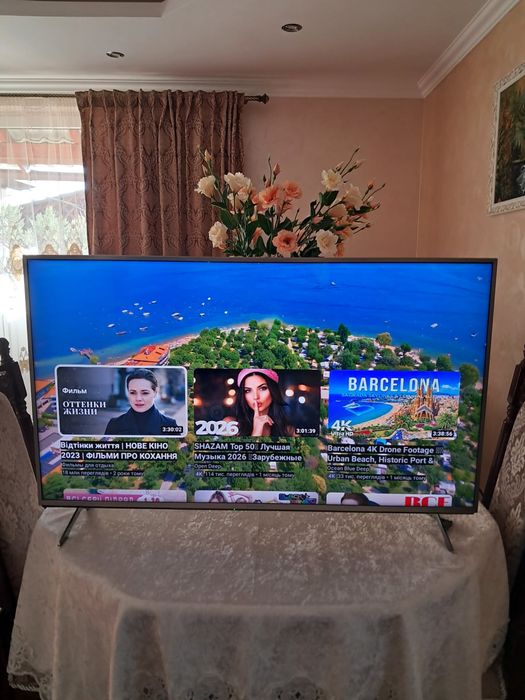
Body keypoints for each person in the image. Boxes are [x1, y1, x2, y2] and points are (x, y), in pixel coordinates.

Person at [105, 368, 179, 436]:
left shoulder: (170, 425)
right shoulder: (114, 424)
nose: (138, 398)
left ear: (155, 392)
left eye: (145, 393)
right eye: (133, 392)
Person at [236, 368, 294, 437]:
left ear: (273, 390)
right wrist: (256, 432)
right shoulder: (231, 426)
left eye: (262, 388)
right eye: (247, 391)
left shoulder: (289, 431)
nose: (255, 397)